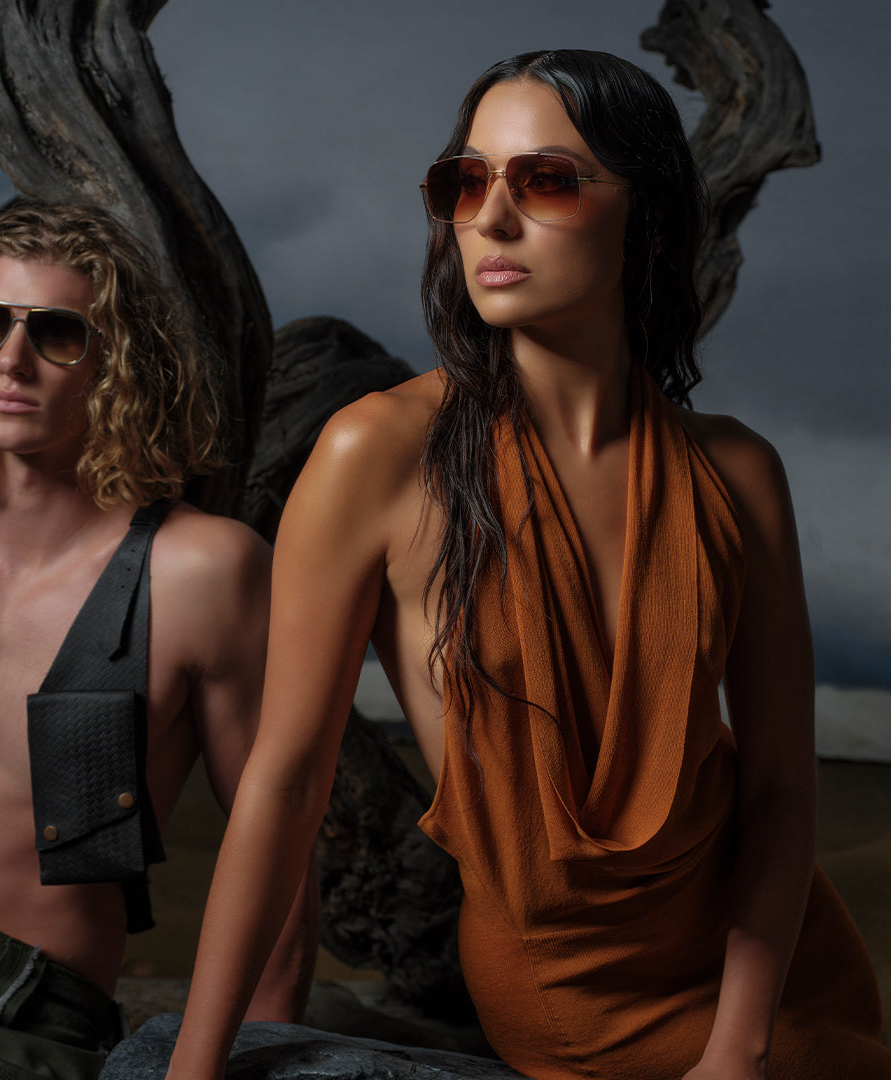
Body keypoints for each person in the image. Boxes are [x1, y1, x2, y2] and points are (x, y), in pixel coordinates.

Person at [164, 50, 890, 1080]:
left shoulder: (738, 472)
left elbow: (777, 789)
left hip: (772, 987)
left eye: (545, 178)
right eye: (467, 180)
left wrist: (740, 1048)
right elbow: (283, 786)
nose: (491, 219)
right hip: (567, 1000)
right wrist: (194, 1068)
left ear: (647, 208)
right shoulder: (375, 454)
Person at [0, 200, 317, 1079]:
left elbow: (275, 849)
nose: (12, 359)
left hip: (19, 1018)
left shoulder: (203, 572)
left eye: (55, 332)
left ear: (115, 363)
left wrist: (229, 1063)